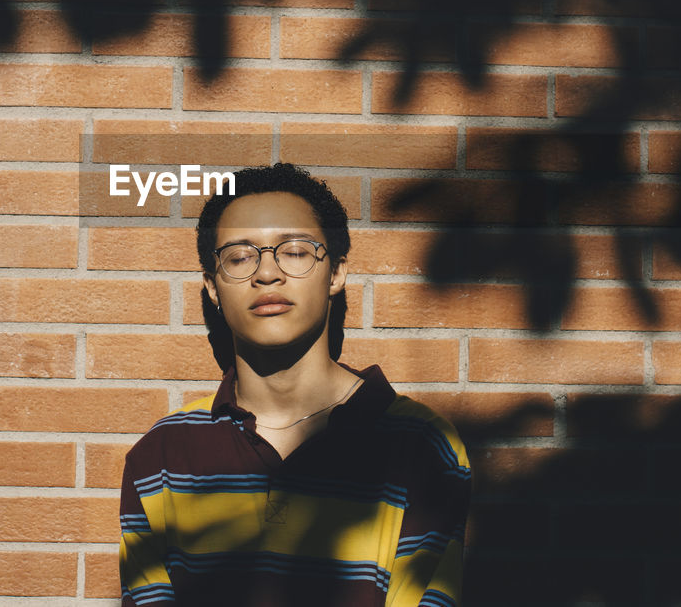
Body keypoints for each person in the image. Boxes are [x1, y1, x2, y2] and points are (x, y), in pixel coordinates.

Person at [118, 163, 472, 606]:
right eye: (240, 256)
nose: (267, 274)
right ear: (213, 286)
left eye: (296, 251)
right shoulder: (163, 455)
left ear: (337, 272)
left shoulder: (421, 445)